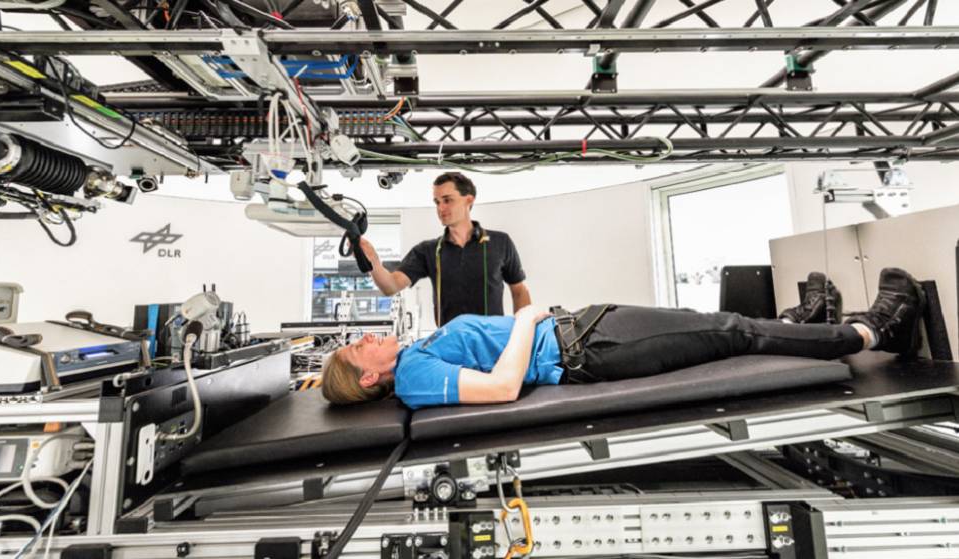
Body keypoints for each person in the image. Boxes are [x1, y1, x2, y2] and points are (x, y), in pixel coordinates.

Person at [321, 268, 926, 409]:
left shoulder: (415, 355)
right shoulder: (413, 379)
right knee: (729, 333)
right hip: (586, 350)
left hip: (582, 328)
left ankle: (802, 323)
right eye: (357, 349)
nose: (366, 337)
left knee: (712, 324)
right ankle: (871, 330)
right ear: (369, 377)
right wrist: (529, 321)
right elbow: (504, 388)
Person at [356, 172, 531, 326]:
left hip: (492, 342)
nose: (441, 208)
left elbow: (519, 291)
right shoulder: (427, 251)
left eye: (447, 200)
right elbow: (391, 286)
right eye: (437, 202)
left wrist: (521, 333)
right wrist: (374, 262)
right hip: (449, 347)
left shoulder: (500, 242)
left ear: (468, 200)